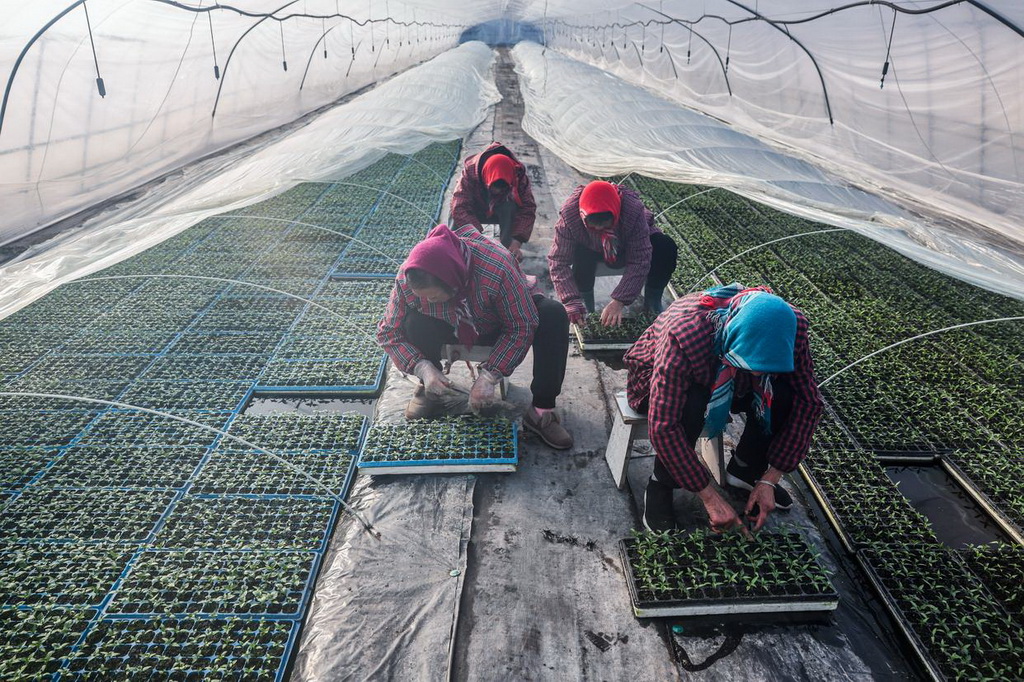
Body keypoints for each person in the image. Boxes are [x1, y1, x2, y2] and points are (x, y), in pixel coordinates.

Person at [623, 284, 823, 533]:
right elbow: (664, 425)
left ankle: (746, 470)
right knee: (691, 402)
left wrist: (770, 478)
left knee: (783, 392)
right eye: (752, 364)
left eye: (764, 366)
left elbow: (808, 402)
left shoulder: (790, 326)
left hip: (731, 376)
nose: (759, 373)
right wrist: (710, 497)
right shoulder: (685, 333)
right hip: (657, 375)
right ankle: (661, 483)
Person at [377, 223, 573, 450]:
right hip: (451, 323)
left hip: (497, 321)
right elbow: (388, 332)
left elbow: (521, 325)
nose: (427, 302)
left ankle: (541, 411)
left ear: (453, 283)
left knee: (553, 314)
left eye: (433, 297)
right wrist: (421, 367)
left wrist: (489, 376)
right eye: (424, 298)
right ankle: (430, 388)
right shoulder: (408, 277)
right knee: (413, 321)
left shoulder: (496, 266)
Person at [548, 180, 677, 327]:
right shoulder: (570, 215)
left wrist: (619, 301)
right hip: (591, 248)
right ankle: (585, 306)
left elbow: (640, 258)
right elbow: (558, 261)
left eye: (605, 224)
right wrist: (570, 300)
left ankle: (652, 303)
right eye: (593, 225)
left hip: (627, 246)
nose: (599, 228)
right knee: (579, 252)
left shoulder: (632, 211)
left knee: (664, 246)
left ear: (615, 213)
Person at [449, 142, 537, 261]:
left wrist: (517, 242)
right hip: (476, 207)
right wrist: (478, 239)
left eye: (502, 188)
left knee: (510, 206)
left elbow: (528, 208)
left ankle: (506, 252)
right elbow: (460, 207)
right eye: (494, 188)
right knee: (455, 213)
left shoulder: (517, 174)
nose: (497, 192)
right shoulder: (470, 172)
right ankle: (455, 250)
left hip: (498, 207)